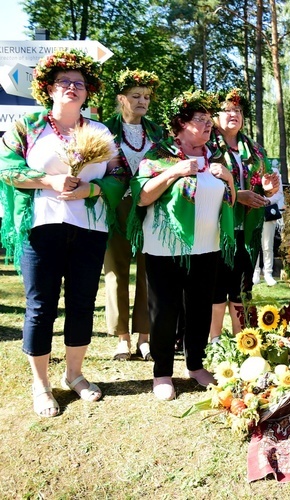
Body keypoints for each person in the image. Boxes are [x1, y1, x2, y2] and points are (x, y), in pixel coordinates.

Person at [0, 50, 126, 416]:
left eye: (79, 84)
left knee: (82, 301)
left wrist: (93, 190)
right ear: (49, 89)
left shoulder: (100, 131)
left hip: (89, 228)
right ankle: (41, 383)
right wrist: (48, 180)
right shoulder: (28, 127)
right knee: (41, 305)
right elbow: (7, 170)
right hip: (41, 227)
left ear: (87, 93)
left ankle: (74, 374)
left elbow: (119, 176)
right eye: (64, 82)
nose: (72, 88)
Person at [128, 90, 236, 401]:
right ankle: (162, 372)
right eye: (199, 120)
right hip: (165, 248)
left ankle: (195, 365)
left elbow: (228, 199)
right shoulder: (157, 156)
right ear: (179, 125)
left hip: (207, 246)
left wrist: (229, 179)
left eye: (207, 121)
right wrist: (175, 171)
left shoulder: (215, 157)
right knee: (165, 311)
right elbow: (143, 196)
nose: (207, 126)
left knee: (200, 309)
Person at [104, 69, 165, 361]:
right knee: (116, 270)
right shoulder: (103, 130)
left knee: (148, 270)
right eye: (135, 96)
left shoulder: (156, 132)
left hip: (149, 206)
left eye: (146, 97)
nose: (142, 101)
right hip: (115, 208)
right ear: (121, 99)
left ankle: (144, 337)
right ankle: (122, 338)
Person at [208, 88, 277, 340]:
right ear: (214, 115)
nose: (233, 114)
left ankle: (244, 341)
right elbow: (205, 180)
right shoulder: (207, 145)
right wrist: (239, 195)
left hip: (246, 229)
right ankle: (213, 341)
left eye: (237, 110)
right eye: (226, 110)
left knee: (242, 288)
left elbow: (264, 185)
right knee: (216, 288)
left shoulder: (254, 150)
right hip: (216, 228)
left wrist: (269, 188)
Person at [252, 159, 284, 287]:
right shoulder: (252, 171)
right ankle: (255, 273)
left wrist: (267, 200)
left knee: (267, 244)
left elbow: (279, 193)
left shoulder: (274, 172)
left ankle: (268, 273)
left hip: (267, 211)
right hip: (253, 211)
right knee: (254, 244)